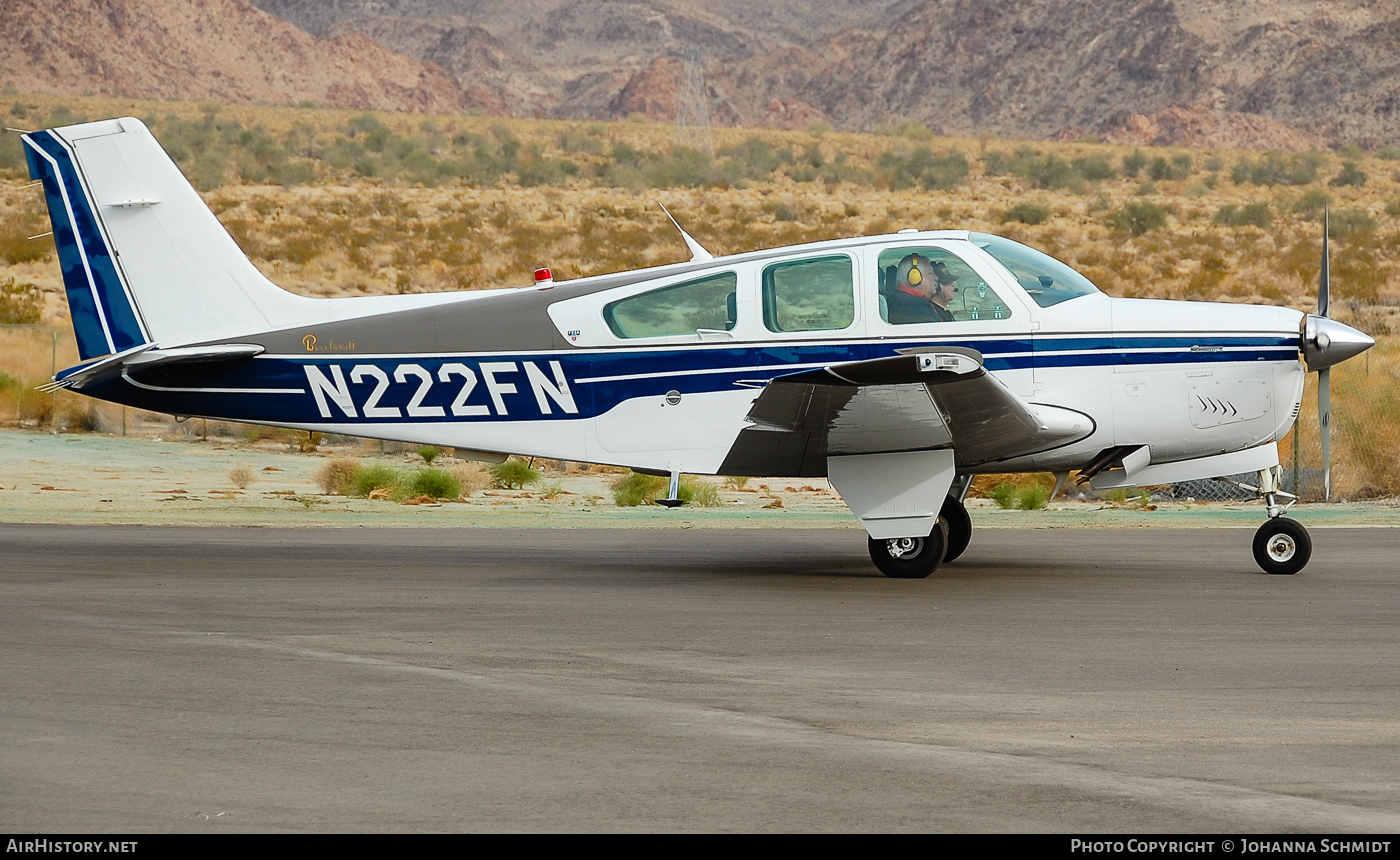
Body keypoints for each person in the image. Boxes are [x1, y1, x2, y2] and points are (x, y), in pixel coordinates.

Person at [885, 253, 956, 324]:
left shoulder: (898, 300)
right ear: (914, 277)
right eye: (930, 273)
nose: (936, 278)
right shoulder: (915, 306)